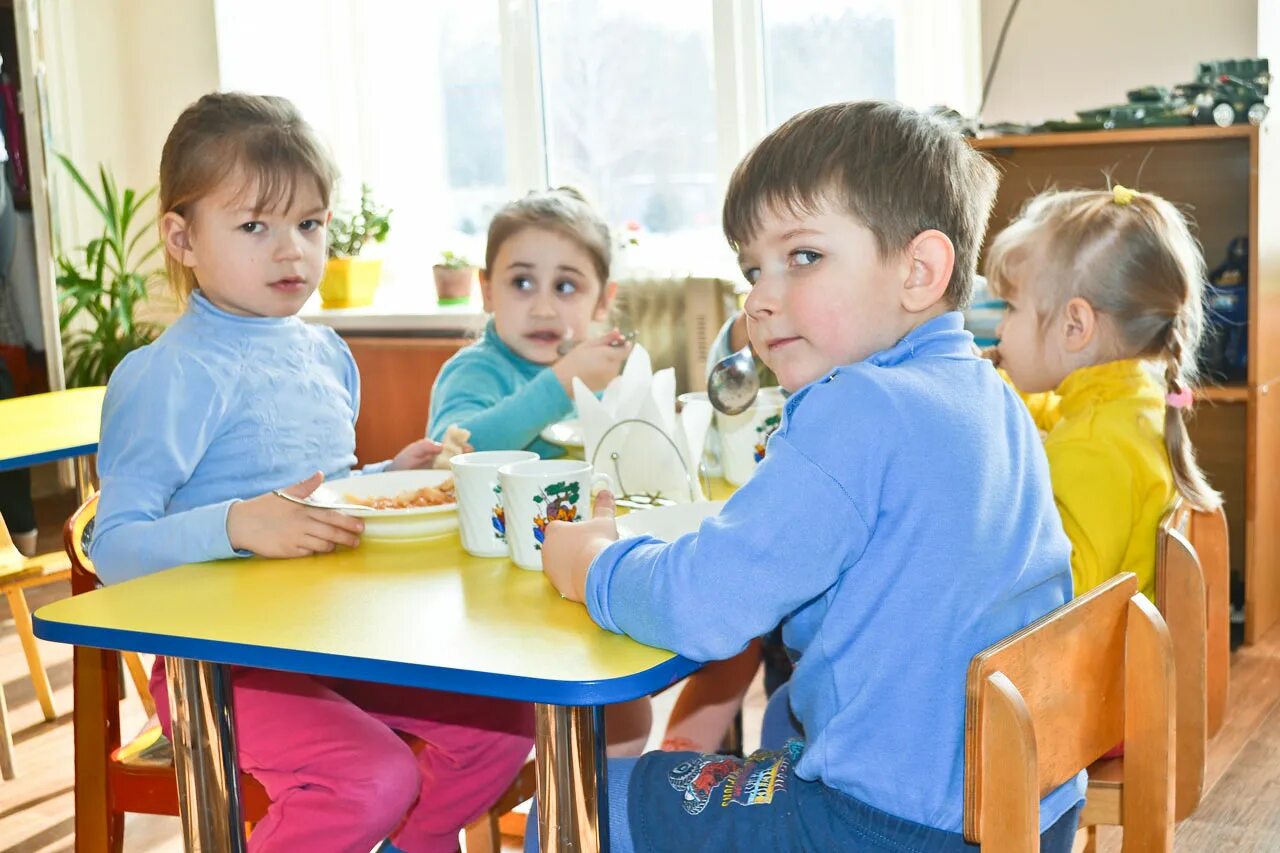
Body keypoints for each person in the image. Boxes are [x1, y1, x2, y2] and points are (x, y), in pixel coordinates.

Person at [534, 100, 1082, 852]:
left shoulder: (857, 406)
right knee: (780, 714)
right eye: (752, 268)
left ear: (919, 271)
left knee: (575, 805)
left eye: (802, 257)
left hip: (889, 828)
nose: (760, 298)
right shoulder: (990, 394)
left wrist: (592, 563)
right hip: (1029, 810)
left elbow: (705, 604)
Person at [91, 92, 532, 853]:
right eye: (255, 226)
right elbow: (114, 546)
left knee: (501, 728)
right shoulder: (164, 375)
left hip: (338, 636)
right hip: (220, 663)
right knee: (371, 776)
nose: (291, 250)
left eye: (309, 223)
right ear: (182, 237)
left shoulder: (325, 352)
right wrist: (237, 524)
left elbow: (321, 485)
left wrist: (390, 474)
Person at [986, 184, 1221, 601]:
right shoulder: (1132, 403)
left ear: (1075, 326)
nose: (1000, 328)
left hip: (1094, 663)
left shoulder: (1092, 447)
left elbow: (1059, 603)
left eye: (1011, 308)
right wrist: (990, 388)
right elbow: (1054, 413)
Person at [427, 187, 631, 458]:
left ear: (602, 301)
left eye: (565, 286)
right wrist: (559, 387)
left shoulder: (599, 377)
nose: (543, 310)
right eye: (521, 283)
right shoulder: (473, 373)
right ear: (488, 292)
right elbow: (448, 457)